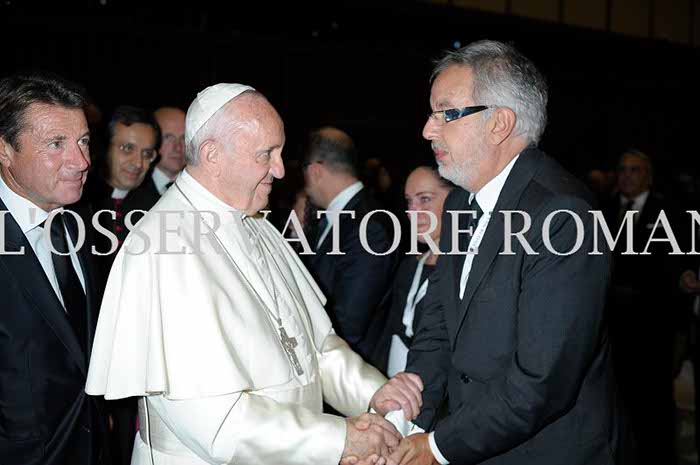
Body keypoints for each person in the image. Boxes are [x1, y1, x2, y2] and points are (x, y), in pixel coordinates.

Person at [85, 83, 422, 464]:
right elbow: (215, 423)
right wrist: (339, 439)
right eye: (267, 154)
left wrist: (373, 394)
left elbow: (313, 347)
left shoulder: (256, 223)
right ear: (212, 155)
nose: (280, 169)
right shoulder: (165, 248)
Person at [378, 40, 625, 465]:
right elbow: (438, 324)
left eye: (445, 113)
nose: (427, 129)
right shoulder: (458, 203)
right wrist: (409, 414)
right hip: (470, 439)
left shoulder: (563, 214)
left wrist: (435, 449)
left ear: (499, 124)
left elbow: (541, 382)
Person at [0, 73, 109, 464]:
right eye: (56, 144)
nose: (80, 162)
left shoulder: (79, 220)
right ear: (4, 149)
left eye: (83, 142)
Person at [602, 149, 684, 465]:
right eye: (622, 169)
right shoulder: (604, 211)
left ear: (647, 176)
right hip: (613, 327)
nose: (626, 175)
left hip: (652, 326)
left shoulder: (670, 213)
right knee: (616, 400)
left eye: (634, 170)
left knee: (654, 403)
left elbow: (675, 267)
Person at [303, 127, 398, 358]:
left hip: (350, 368)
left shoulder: (369, 226)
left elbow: (350, 323)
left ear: (315, 171)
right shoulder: (334, 218)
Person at [371, 166, 453, 376]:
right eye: (409, 201)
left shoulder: (466, 274)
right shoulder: (409, 267)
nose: (413, 212)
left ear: (456, 198)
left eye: (424, 199)